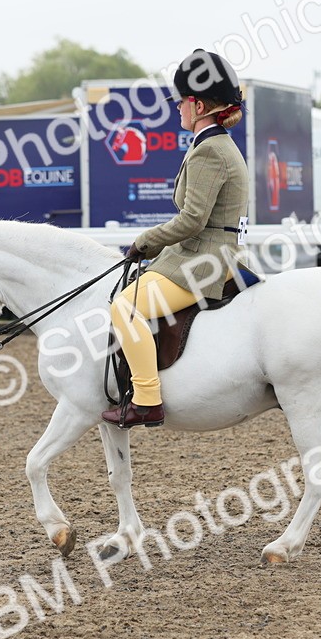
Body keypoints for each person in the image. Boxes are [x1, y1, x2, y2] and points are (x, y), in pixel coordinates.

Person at [102, 48, 249, 429]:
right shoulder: (212, 145)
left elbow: (193, 220)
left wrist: (146, 241)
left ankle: (147, 398)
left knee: (125, 306)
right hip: (204, 251)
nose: (177, 108)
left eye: (181, 102)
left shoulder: (211, 151)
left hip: (204, 258)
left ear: (198, 105)